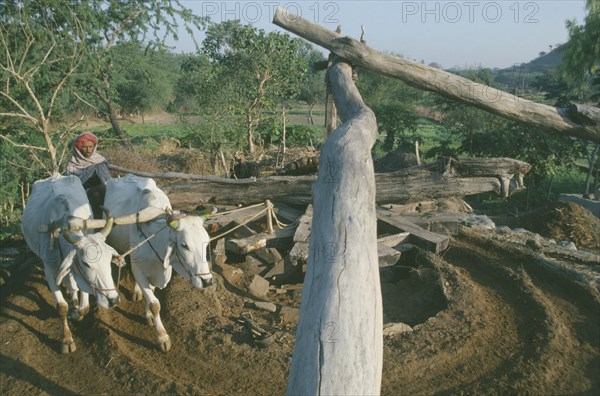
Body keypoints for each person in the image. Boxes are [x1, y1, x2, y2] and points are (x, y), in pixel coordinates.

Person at [65, 132, 112, 218]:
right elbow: (71, 184)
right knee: (97, 193)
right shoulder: (73, 163)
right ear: (78, 148)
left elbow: (107, 179)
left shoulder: (99, 160)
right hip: (83, 192)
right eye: (84, 147)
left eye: (91, 147)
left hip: (103, 189)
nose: (88, 150)